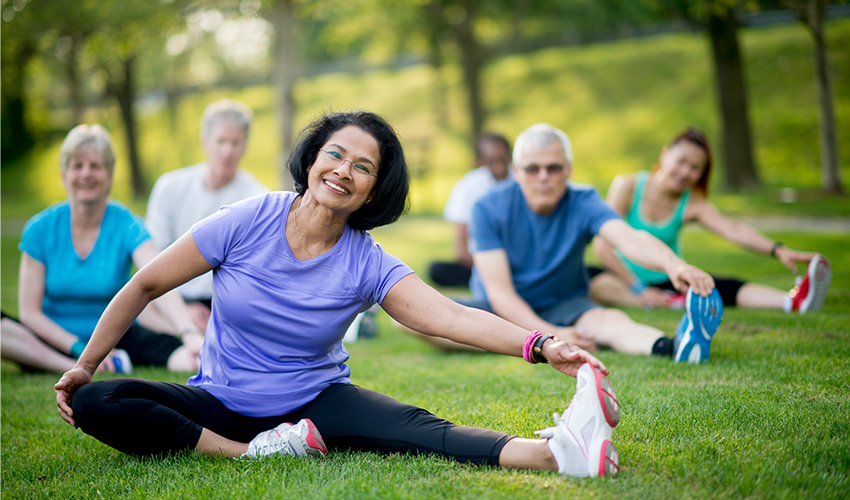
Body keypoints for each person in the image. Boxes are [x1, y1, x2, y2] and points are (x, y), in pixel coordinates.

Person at [56, 111, 622, 478]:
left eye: (363, 167)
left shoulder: (366, 260)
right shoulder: (248, 219)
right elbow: (147, 282)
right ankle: (253, 453)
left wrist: (543, 345)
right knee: (96, 401)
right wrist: (84, 365)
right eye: (334, 154)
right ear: (311, 159)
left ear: (375, 188)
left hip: (315, 402)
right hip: (221, 403)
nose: (343, 171)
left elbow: (447, 317)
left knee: (421, 432)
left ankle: (557, 453)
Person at [446, 123, 723, 363]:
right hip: (496, 311)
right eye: (533, 169)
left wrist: (674, 265)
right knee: (417, 323)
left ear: (568, 169)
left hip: (565, 304)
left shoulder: (583, 200)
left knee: (610, 321)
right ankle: (513, 340)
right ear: (516, 171)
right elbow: (500, 293)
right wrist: (549, 336)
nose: (543, 177)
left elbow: (628, 238)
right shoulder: (486, 208)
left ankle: (674, 348)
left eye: (553, 168)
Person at [0, 125, 202, 374]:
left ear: (109, 175)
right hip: (54, 338)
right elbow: (30, 314)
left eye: (95, 166)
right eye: (77, 166)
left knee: (186, 355)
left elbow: (159, 275)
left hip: (117, 335)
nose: (86, 174)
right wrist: (79, 348)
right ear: (64, 174)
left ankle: (93, 363)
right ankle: (75, 365)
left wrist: (188, 332)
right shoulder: (39, 229)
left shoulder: (128, 225)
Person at [589, 127, 831, 313]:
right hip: (620, 277)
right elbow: (602, 247)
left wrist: (778, 250)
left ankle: (792, 301)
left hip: (669, 277)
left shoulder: (692, 202)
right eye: (681, 161)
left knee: (719, 285)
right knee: (594, 282)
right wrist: (639, 289)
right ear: (665, 154)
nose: (685, 172)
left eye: (695, 168)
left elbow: (732, 230)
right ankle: (654, 302)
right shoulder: (627, 186)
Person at [145, 100, 268, 332]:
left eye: (235, 143)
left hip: (223, 302)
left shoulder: (256, 197)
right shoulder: (170, 186)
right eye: (221, 141)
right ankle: (189, 337)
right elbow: (154, 259)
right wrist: (181, 309)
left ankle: (191, 343)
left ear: (245, 147)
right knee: (138, 306)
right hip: (171, 297)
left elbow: (251, 272)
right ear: (206, 142)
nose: (227, 151)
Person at [428, 132, 513, 287]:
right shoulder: (468, 186)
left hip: (517, 258)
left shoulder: (523, 181)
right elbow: (461, 248)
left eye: (502, 159)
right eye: (492, 161)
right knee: (436, 269)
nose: (499, 165)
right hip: (481, 259)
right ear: (480, 161)